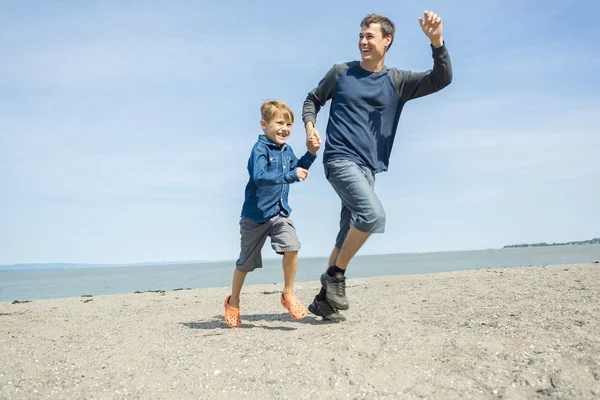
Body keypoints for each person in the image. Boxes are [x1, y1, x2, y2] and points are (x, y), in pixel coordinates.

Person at [302, 11, 453, 320]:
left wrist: (437, 42)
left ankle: (323, 301)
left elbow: (442, 78)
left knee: (346, 235)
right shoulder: (341, 72)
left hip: (368, 169)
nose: (363, 41)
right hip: (339, 159)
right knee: (372, 216)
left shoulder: (397, 82)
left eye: (370, 36)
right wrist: (309, 127)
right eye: (360, 36)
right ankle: (335, 277)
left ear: (387, 40)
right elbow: (313, 99)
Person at [224, 100, 321, 328]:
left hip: (279, 213)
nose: (285, 128)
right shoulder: (259, 150)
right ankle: (233, 301)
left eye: (289, 124)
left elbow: (297, 166)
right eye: (279, 122)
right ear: (264, 124)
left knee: (292, 246)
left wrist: (311, 153)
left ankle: (288, 294)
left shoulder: (287, 150)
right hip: (254, 217)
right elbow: (260, 176)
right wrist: (290, 175)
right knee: (244, 264)